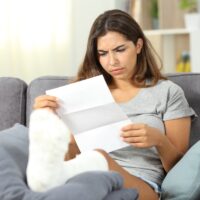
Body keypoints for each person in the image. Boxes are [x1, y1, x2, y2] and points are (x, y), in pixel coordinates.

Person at [29, 9, 196, 200]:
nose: (112, 61)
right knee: (25, 145)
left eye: (120, 50)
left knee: (98, 159)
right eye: (103, 53)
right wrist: (47, 120)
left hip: (142, 184)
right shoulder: (81, 93)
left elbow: (180, 172)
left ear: (138, 45)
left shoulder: (168, 92)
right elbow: (70, 153)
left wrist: (159, 140)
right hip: (83, 178)